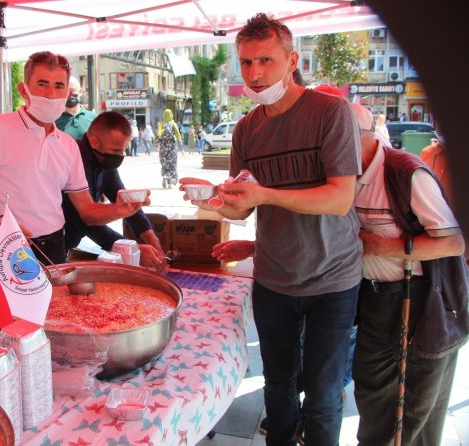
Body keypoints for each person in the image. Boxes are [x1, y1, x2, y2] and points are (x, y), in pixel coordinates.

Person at [182, 13, 362, 445]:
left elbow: (339, 199)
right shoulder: (246, 128)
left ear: (292, 60)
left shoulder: (330, 111)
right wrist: (212, 201)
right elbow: (240, 210)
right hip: (274, 278)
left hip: (332, 278)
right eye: (245, 62)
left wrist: (268, 195)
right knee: (278, 386)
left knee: (323, 393)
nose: (255, 73)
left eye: (265, 60)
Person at [350, 102, 467, 446]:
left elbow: (454, 242)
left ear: (363, 137)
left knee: (414, 406)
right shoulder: (344, 174)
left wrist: (383, 247)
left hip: (417, 298)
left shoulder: (406, 172)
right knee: (372, 395)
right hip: (373, 298)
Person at [0, 51, 145, 265]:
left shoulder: (68, 145)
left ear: (67, 93)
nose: (50, 94)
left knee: (55, 300)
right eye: (42, 83)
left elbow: (87, 211)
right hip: (5, 246)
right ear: (23, 90)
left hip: (55, 245)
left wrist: (119, 210)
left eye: (58, 86)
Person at [62, 111, 166, 271]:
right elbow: (87, 220)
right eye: (116, 150)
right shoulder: (73, 159)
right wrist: (132, 249)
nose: (121, 156)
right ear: (95, 142)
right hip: (50, 245)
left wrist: (154, 242)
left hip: (69, 244)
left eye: (123, 150)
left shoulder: (104, 160)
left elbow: (126, 201)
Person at [55, 75, 97, 141]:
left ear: (80, 92)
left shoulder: (93, 118)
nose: (69, 94)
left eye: (72, 90)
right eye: (65, 90)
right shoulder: (53, 119)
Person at [157, 109, 181, 189]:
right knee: (172, 164)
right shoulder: (173, 124)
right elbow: (178, 135)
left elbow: (158, 134)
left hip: (163, 147)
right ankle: (170, 183)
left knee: (164, 163)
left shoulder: (161, 124)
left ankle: (164, 176)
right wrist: (181, 145)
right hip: (172, 147)